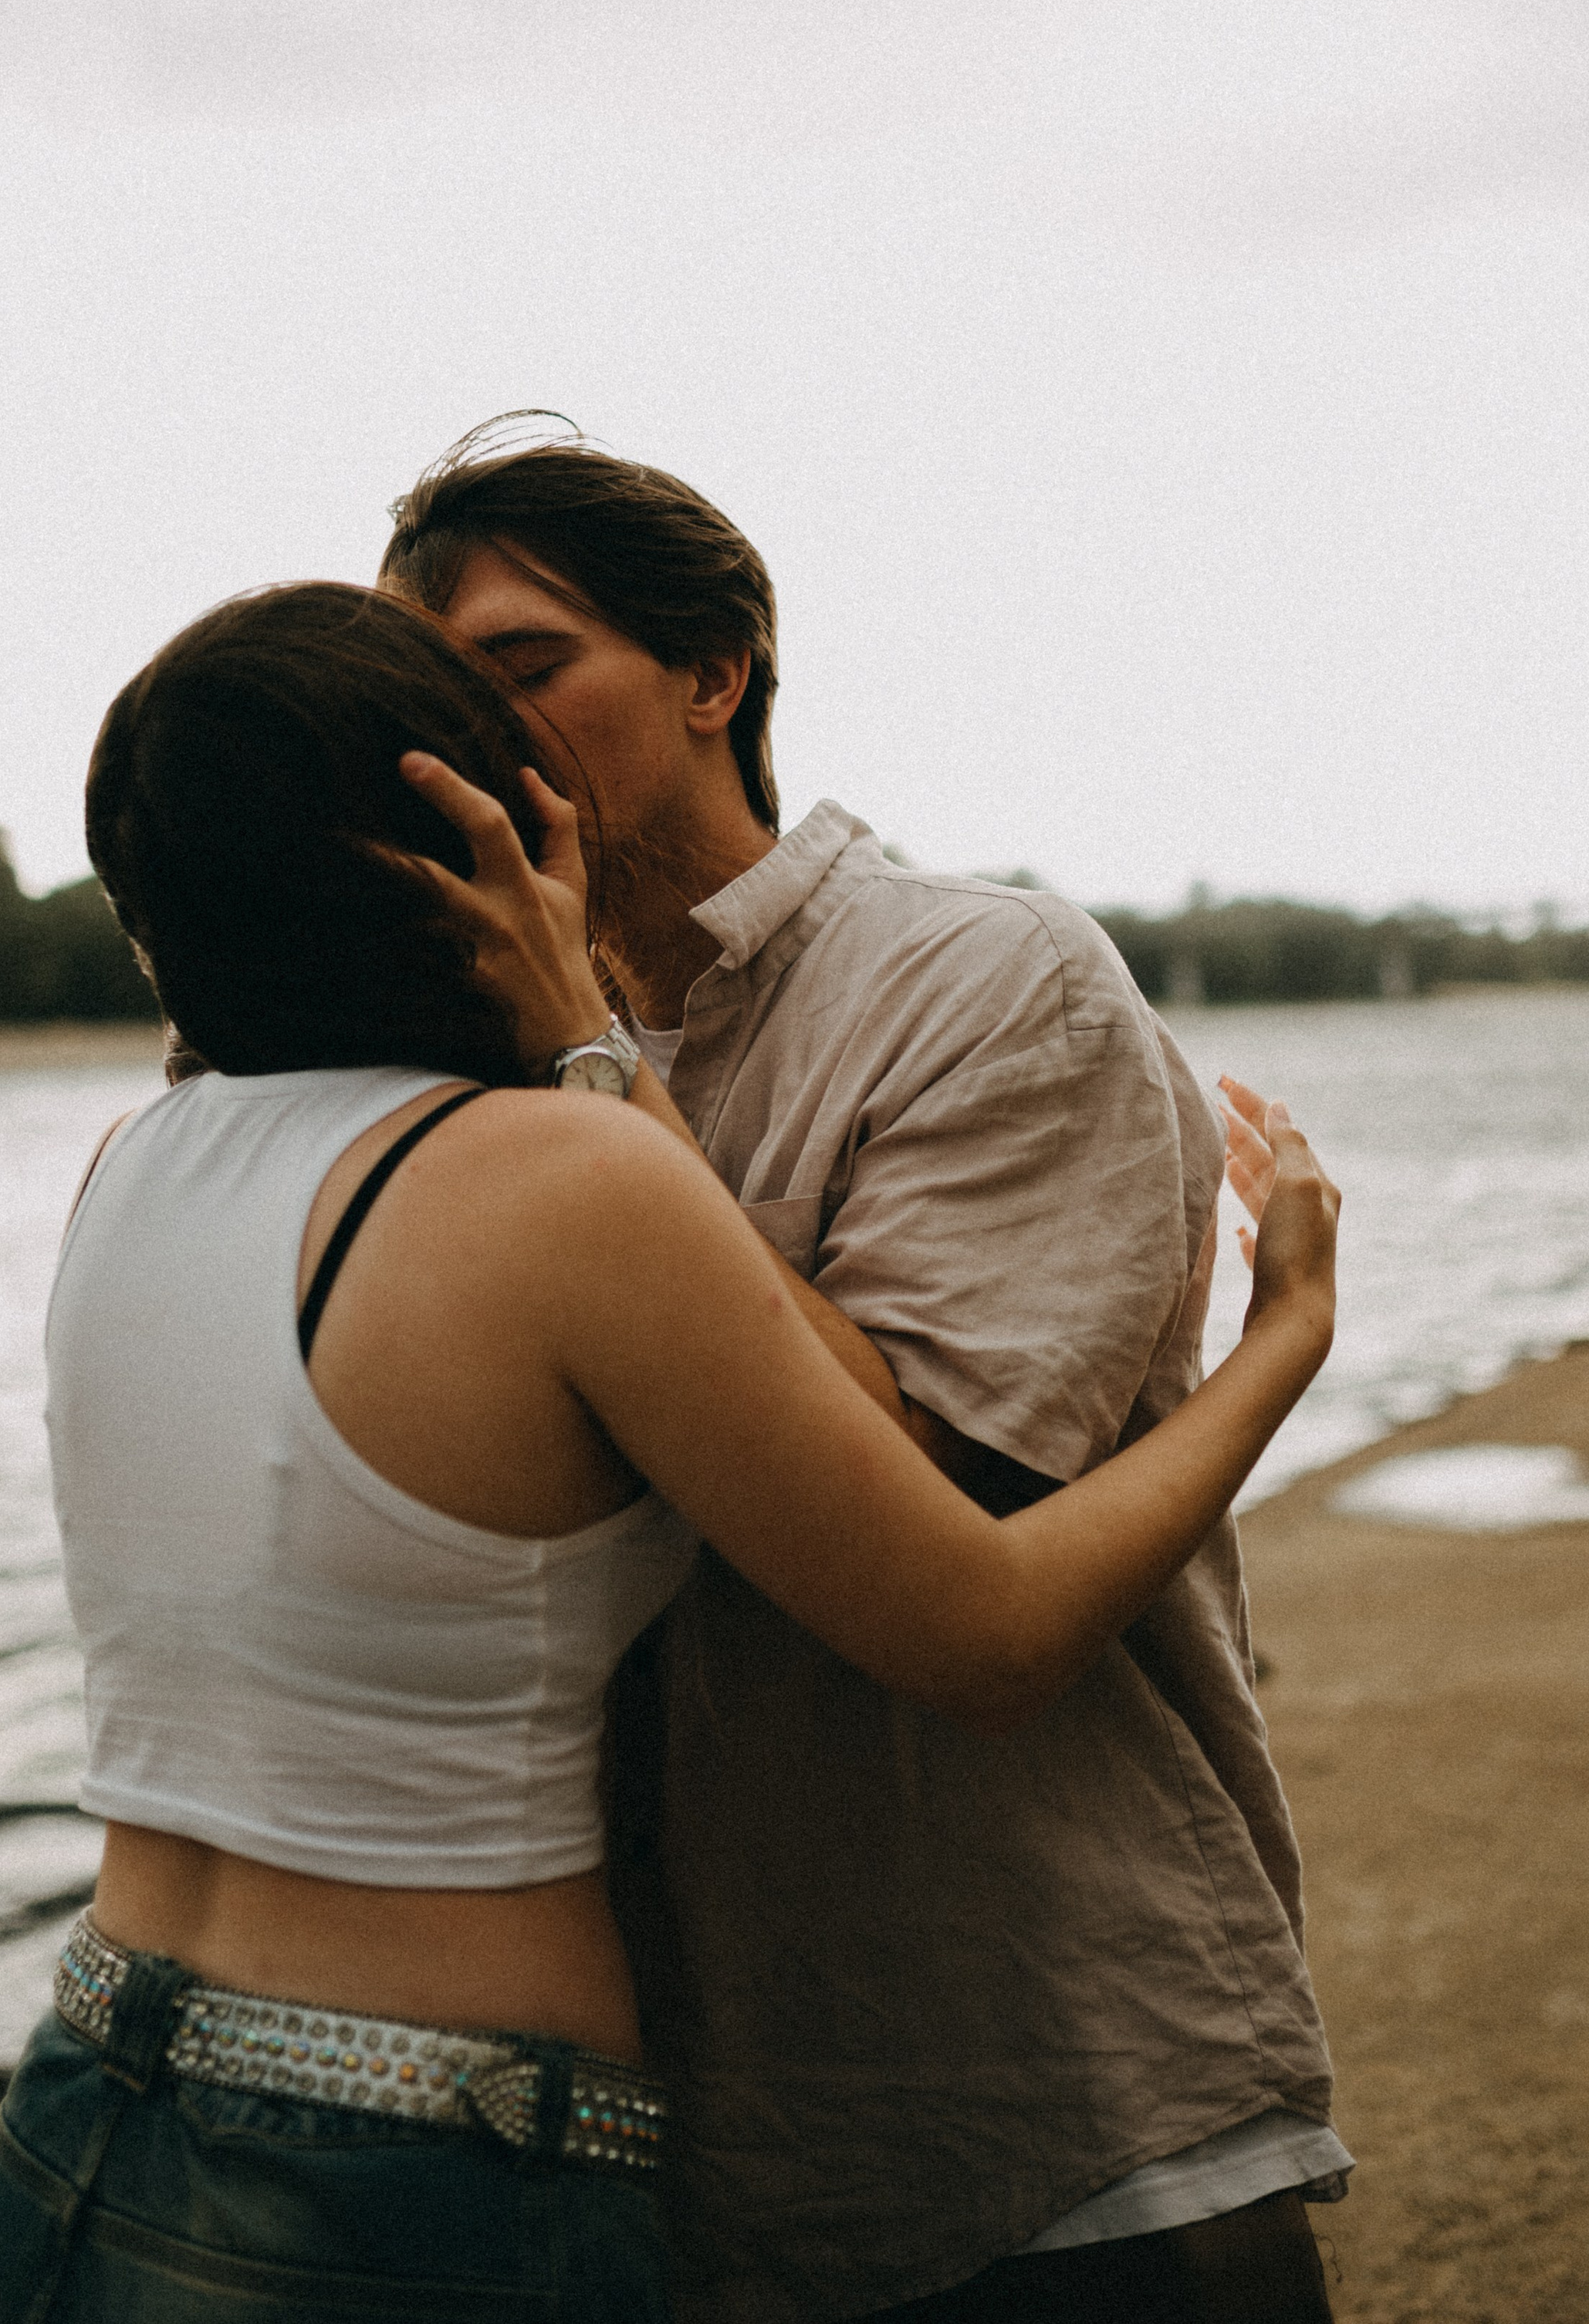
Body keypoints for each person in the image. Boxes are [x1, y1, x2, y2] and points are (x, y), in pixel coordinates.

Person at [0, 581, 1337, 2324]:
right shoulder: (569, 1181)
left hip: (92, 2068)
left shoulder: (128, 1170)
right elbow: (983, 1632)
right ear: (489, 830)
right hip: (415, 2137)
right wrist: (1281, 1340)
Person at [378, 431, 1352, 2323]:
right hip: (675, 2138)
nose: (481, 733)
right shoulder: (448, 1040)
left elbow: (929, 1512)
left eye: (526, 665)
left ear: (711, 669)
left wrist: (591, 1065)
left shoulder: (987, 983)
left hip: (1044, 2097)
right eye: (437, 693)